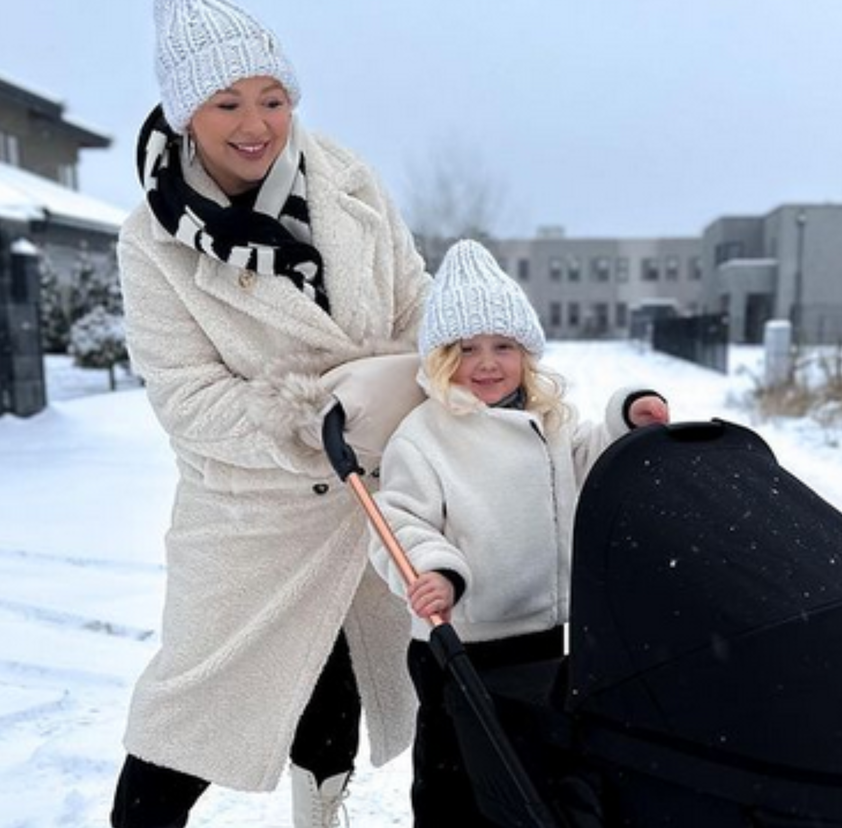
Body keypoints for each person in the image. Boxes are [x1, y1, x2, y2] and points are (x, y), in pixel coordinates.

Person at [110, 1, 432, 826]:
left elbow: (416, 309)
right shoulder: (153, 241)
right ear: (187, 112)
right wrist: (306, 419)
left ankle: (319, 817)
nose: (256, 124)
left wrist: (421, 377)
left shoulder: (349, 182)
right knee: (183, 724)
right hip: (247, 518)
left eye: (273, 98)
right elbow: (188, 400)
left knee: (341, 686)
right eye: (227, 103)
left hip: (366, 499)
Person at [367, 239, 670, 826]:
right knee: (455, 776)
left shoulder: (550, 421)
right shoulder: (426, 436)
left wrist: (628, 418)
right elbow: (398, 520)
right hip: (459, 640)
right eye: (467, 348)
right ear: (439, 358)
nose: (486, 363)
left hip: (540, 632)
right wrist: (437, 571)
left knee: (530, 769)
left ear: (526, 353)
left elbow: (593, 464)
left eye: (503, 346)